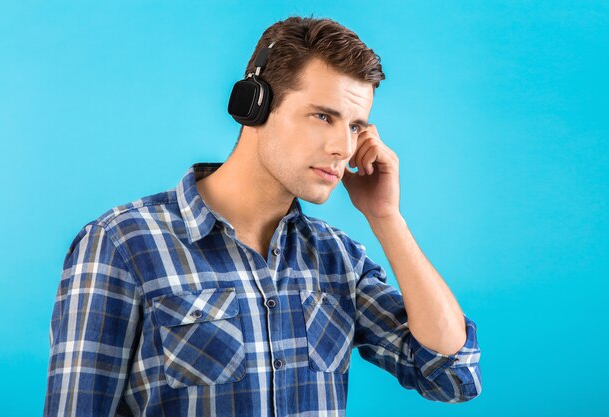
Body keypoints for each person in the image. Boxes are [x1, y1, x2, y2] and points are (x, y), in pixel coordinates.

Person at [44, 15, 482, 417]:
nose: (343, 148)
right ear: (254, 105)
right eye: (323, 116)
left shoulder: (338, 259)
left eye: (354, 126)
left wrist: (386, 217)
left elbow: (451, 374)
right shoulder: (122, 244)